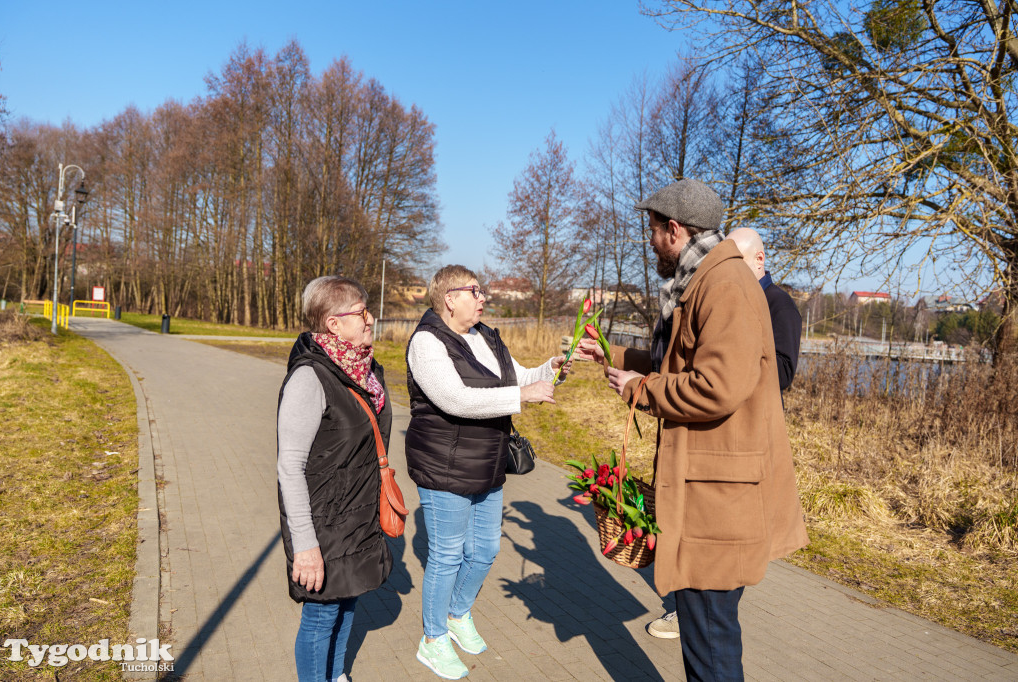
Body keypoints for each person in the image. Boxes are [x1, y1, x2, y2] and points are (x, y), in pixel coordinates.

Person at [577, 179, 809, 682]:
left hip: (717, 498)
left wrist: (643, 390)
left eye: (654, 231)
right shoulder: (703, 280)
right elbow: (678, 362)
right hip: (710, 490)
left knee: (710, 643)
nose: (651, 241)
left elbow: (716, 386)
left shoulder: (722, 285)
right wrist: (614, 358)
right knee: (707, 635)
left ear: (675, 229)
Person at [406, 264, 570, 680]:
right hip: (444, 467)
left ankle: (459, 614)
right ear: (450, 298)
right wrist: (522, 395)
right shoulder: (427, 342)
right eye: (475, 291)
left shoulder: (486, 336)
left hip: (488, 463)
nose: (483, 298)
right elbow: (455, 399)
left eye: (482, 292)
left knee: (485, 550)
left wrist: (550, 368)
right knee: (444, 555)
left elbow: (518, 378)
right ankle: (433, 638)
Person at [646, 226, 804, 640]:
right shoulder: (723, 288)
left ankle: (686, 612)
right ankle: (684, 611)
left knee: (713, 626)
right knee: (711, 621)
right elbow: (682, 364)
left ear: (759, 260)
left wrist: (644, 389)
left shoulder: (766, 301)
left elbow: (767, 375)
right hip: (716, 455)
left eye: (740, 254)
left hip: (730, 458)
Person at [277, 276, 393, 682]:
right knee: (322, 615)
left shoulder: (365, 372)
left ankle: (336, 675)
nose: (370, 319)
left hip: (357, 518)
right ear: (333, 324)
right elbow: (289, 467)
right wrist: (305, 547)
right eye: (361, 312)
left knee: (347, 604)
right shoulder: (310, 378)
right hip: (323, 524)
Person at [728, 227, 802, 391]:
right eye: (727, 264)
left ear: (759, 259)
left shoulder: (780, 304)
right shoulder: (730, 301)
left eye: (738, 262)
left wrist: (730, 351)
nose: (730, 271)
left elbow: (783, 373)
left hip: (760, 413)